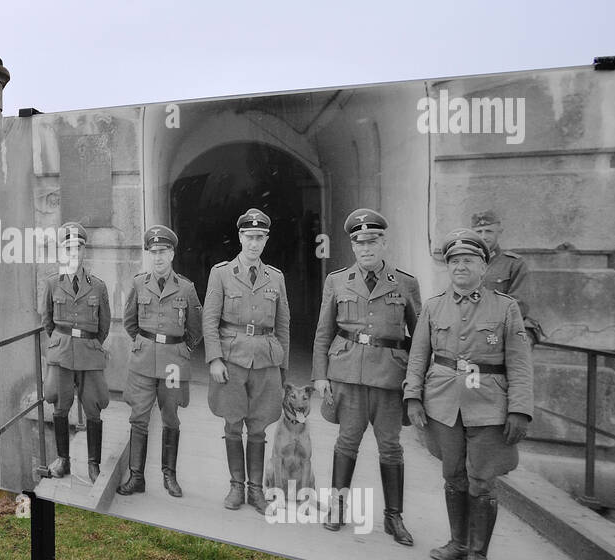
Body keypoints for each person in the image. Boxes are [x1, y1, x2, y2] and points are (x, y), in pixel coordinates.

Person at [403, 228, 534, 560]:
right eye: (454, 261)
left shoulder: (506, 309)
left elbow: (520, 363)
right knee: (452, 475)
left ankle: (479, 555)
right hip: (443, 404)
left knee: (482, 480)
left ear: (484, 266)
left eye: (468, 260)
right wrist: (412, 397)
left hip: (489, 406)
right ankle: (458, 542)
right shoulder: (432, 307)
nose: (460, 266)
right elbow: (418, 359)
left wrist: (520, 409)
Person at [311, 208, 421, 543]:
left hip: (390, 376)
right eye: (359, 242)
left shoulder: (404, 283)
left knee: (390, 447)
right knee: (347, 441)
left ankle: (394, 518)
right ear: (352, 246)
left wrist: (415, 383)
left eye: (372, 241)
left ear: (384, 242)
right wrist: (320, 376)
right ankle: (339, 508)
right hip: (348, 372)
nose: (365, 248)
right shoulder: (337, 281)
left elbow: (420, 339)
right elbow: (323, 332)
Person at [202, 208, 290, 512]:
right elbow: (209, 319)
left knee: (258, 427)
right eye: (249, 237)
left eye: (260, 238)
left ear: (266, 240)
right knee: (232, 423)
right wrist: (214, 358)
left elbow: (282, 325)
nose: (254, 243)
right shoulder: (222, 273)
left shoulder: (275, 278)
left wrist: (283, 368)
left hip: (266, 361)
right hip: (232, 359)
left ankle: (256, 491)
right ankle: (236, 488)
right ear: (240, 237)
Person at [117, 225, 203, 497]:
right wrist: (146, 343)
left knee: (171, 418)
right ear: (149, 255)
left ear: (172, 254)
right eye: (153, 252)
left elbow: (196, 329)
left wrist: (180, 349)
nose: (158, 257)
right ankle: (136, 478)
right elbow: (130, 322)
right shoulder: (139, 283)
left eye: (163, 251)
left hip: (174, 363)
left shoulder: (186, 288)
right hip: (142, 363)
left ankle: (170, 477)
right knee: (138, 418)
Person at [42, 222, 111, 481]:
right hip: (61, 354)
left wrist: (87, 343)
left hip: (89, 355)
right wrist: (63, 342)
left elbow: (104, 325)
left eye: (78, 248)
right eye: (68, 248)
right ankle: (63, 461)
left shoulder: (98, 286)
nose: (74, 253)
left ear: (84, 252)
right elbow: (47, 321)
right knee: (60, 406)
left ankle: (94, 465)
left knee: (93, 407)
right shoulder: (52, 284)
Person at [471, 210, 539, 344]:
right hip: (469, 330)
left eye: (489, 231)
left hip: (502, 331)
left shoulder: (514, 264)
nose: (484, 236)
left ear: (499, 232)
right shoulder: (465, 264)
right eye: (479, 232)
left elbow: (519, 306)